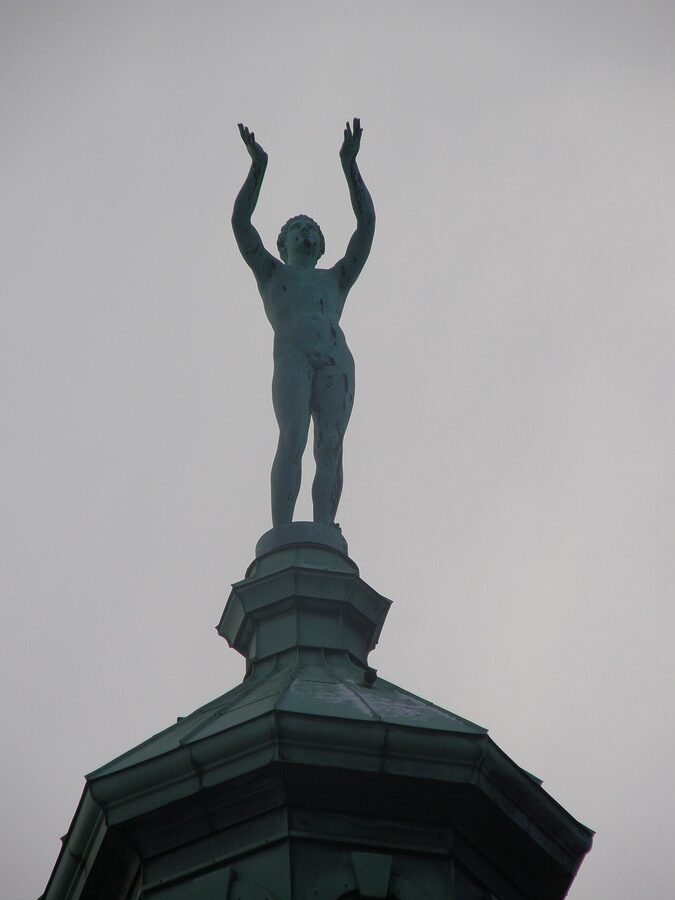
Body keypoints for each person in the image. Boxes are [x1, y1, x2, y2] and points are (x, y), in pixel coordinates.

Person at [232, 119, 375, 527]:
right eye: (298, 228)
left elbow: (366, 229)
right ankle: (283, 530)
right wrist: (257, 168)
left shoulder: (335, 279)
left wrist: (350, 167)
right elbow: (242, 225)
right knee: (292, 437)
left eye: (311, 228)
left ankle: (324, 527)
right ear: (283, 243)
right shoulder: (272, 274)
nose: (305, 231)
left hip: (334, 358)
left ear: (321, 243)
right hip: (293, 353)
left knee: (330, 445)